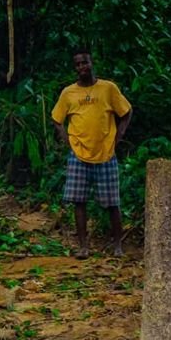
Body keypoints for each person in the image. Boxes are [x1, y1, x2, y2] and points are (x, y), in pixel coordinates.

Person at [51, 51, 133, 258]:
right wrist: (66, 140)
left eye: (84, 63)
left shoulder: (108, 88)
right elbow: (57, 119)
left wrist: (120, 134)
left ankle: (117, 246)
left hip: (106, 152)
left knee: (112, 202)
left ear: (91, 63)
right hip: (79, 153)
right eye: (77, 64)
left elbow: (126, 112)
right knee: (79, 201)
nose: (82, 67)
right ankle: (83, 246)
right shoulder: (68, 93)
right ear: (75, 68)